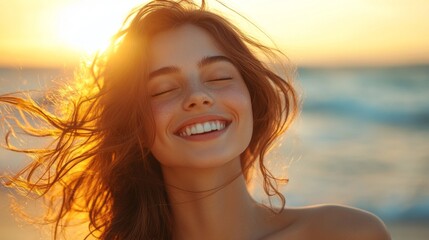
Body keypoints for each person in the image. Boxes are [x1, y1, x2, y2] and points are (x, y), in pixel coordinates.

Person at [0, 0, 390, 239]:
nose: (199, 96)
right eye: (163, 89)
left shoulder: (348, 234)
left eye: (219, 77)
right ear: (134, 125)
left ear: (253, 100)